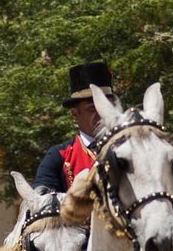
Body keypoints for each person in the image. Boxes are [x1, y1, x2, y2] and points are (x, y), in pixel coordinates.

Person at [34, 61, 116, 193]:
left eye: (108, 105)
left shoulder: (130, 148)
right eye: (92, 108)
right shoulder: (59, 156)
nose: (102, 112)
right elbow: (41, 201)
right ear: (74, 113)